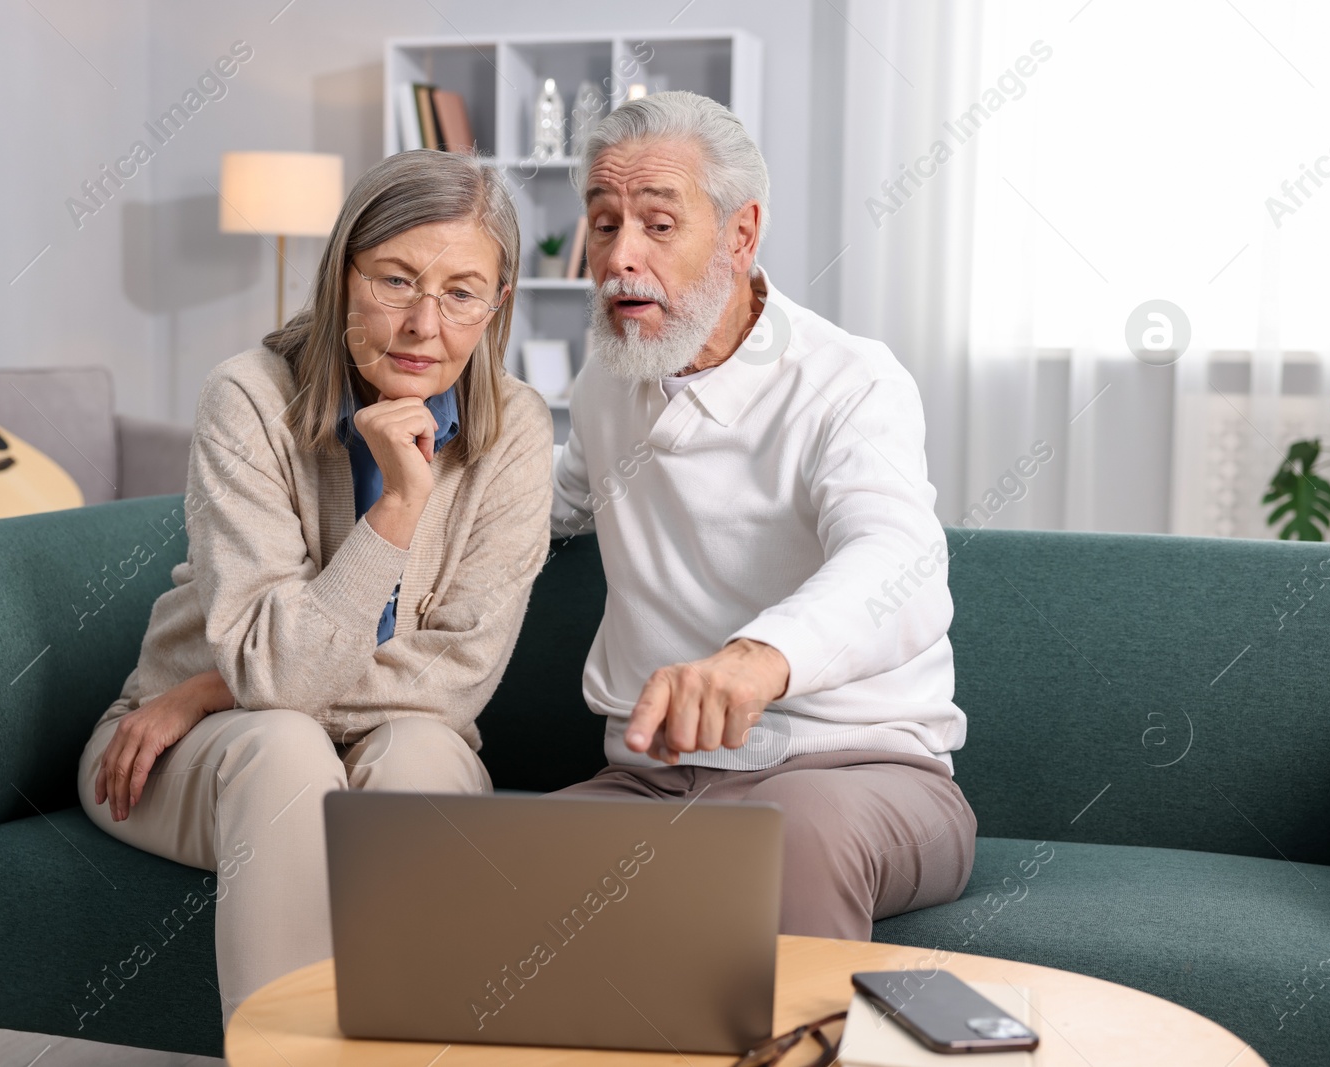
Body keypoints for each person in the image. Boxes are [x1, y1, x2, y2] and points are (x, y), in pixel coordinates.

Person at [76, 149, 552, 1026]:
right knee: (286, 748)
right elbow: (281, 692)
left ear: (498, 308)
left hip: (277, 715)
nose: (423, 324)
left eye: (460, 293)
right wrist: (397, 510)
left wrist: (216, 685)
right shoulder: (247, 399)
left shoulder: (517, 430)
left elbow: (456, 677)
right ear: (341, 278)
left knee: (420, 754)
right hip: (198, 755)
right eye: (395, 280)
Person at [549, 90, 976, 938]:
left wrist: (756, 659)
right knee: (490, 868)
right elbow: (551, 510)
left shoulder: (851, 380)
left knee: (781, 838)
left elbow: (900, 559)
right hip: (652, 779)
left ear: (740, 235)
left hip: (857, 771)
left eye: (658, 225)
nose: (620, 257)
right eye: (603, 224)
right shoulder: (608, 379)